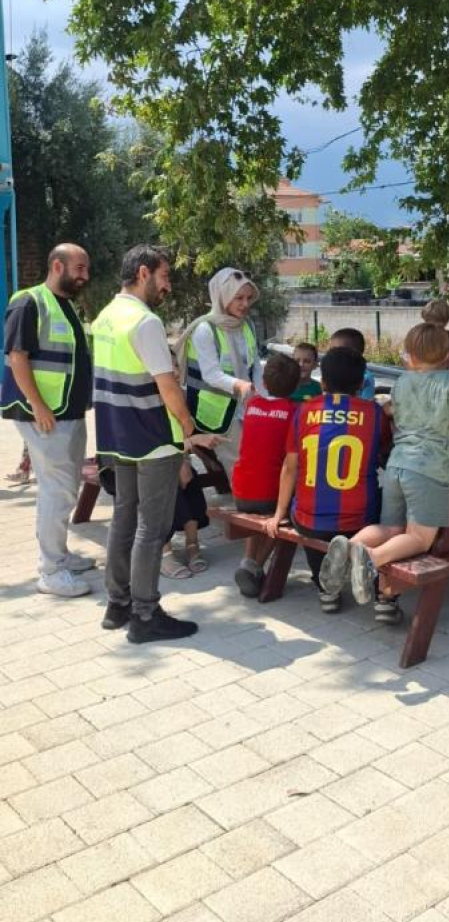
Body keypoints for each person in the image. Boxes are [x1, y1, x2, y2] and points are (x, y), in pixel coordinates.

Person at [318, 322, 449, 622]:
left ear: (410, 355)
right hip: (428, 469)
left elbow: (393, 414)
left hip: (397, 464)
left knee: (391, 529)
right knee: (420, 538)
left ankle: (351, 545)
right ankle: (370, 558)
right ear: (447, 354)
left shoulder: (403, 381)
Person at [92, 244, 198, 643]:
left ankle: (117, 604)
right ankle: (145, 614)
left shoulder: (105, 316)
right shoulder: (146, 321)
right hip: (154, 437)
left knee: (124, 518)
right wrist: (188, 426)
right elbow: (167, 385)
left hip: (117, 434)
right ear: (143, 273)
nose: (167, 286)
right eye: (165, 276)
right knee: (152, 530)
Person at [1, 243, 95, 597]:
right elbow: (17, 357)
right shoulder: (28, 302)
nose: (85, 276)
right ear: (58, 266)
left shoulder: (65, 304)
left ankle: (59, 555)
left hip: (66, 412)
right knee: (58, 489)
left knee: (63, 488)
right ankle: (51, 571)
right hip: (45, 415)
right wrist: (39, 405)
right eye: (80, 268)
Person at [267, 347, 390, 614]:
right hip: (361, 520)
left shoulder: (304, 411)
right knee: (391, 512)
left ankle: (326, 589)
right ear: (361, 384)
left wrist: (278, 513)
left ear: (322, 382)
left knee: (308, 510)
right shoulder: (374, 413)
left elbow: (290, 467)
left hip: (310, 521)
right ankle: (384, 593)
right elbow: (384, 453)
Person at [175, 267, 264, 482]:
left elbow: (255, 366)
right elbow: (211, 374)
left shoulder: (247, 325)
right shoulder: (205, 329)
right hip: (217, 411)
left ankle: (251, 497)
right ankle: (245, 500)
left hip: (246, 403)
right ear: (222, 296)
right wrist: (240, 385)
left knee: (254, 457)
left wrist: (264, 397)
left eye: (248, 298)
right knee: (239, 463)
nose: (245, 304)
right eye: (238, 298)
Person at [231, 352, 301, 596]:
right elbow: (292, 462)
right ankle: (257, 567)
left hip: (241, 490)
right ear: (296, 385)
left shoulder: (252, 405)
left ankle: (247, 560)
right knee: (282, 515)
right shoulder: (293, 412)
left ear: (264, 381)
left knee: (256, 512)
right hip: (271, 494)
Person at [329, 328, 376, 399]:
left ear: (356, 354)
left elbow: (366, 401)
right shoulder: (331, 373)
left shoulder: (366, 377)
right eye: (331, 350)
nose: (332, 355)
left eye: (337, 352)